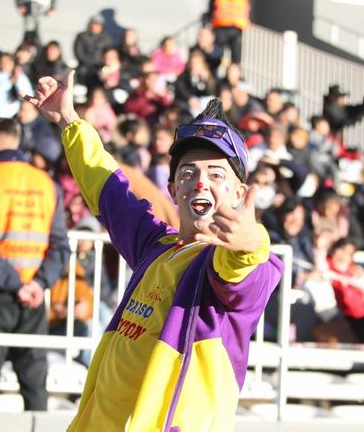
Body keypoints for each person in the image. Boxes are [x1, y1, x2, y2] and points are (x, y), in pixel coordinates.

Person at [25, 71, 282, 431]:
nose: (201, 182)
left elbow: (250, 273)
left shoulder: (223, 264)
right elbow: (109, 190)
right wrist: (70, 121)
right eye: (189, 173)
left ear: (240, 194)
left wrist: (251, 243)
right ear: (173, 191)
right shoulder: (156, 246)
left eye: (216, 174)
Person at [0, 117, 70, 411]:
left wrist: (15, 284)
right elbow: (61, 246)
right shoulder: (46, 183)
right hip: (34, 299)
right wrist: (37, 284)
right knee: (35, 385)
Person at [208, 0, 250, 64]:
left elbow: (248, 7)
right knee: (217, 55)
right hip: (220, 28)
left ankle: (234, 76)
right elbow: (210, 9)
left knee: (236, 57)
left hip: (237, 28)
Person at [73, 15, 113, 85]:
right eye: (93, 24)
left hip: (100, 67)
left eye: (97, 24)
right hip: (84, 67)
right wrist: (90, 62)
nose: (94, 26)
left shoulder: (106, 38)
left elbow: (109, 53)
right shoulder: (82, 36)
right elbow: (78, 52)